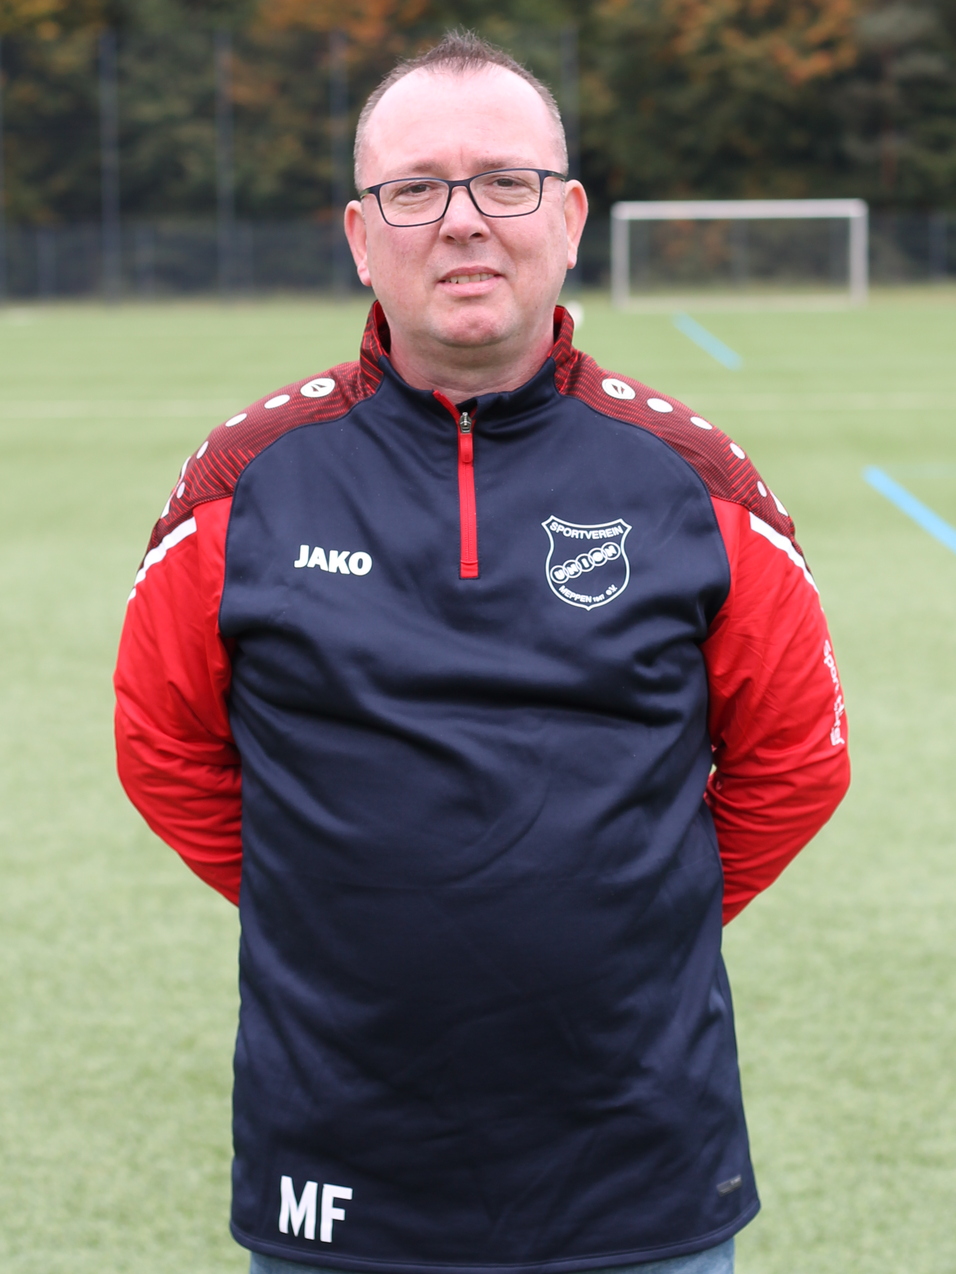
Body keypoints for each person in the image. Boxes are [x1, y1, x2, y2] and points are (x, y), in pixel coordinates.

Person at [114, 31, 850, 1274]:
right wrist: (338, 902)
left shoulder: (696, 486)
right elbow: (164, 748)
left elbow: (792, 763)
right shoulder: (243, 489)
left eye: (503, 182)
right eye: (415, 188)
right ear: (360, 235)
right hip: (338, 1143)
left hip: (635, 1151)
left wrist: (634, 914)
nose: (461, 221)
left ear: (566, 218)